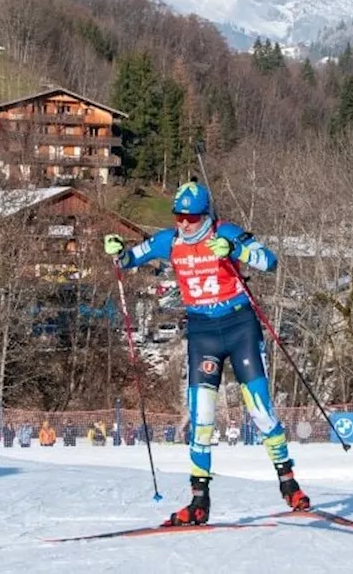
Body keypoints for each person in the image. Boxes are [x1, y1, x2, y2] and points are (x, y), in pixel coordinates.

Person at [105, 180, 307, 526]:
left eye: (191, 217)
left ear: (204, 214)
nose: (183, 223)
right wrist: (117, 251)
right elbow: (130, 259)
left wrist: (235, 250)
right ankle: (199, 500)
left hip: (239, 325)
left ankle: (288, 482)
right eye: (178, 216)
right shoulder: (170, 241)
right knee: (201, 418)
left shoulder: (224, 232)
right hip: (202, 332)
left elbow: (269, 261)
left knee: (259, 410)